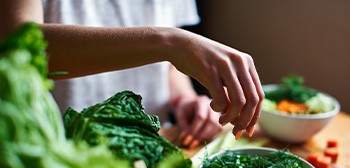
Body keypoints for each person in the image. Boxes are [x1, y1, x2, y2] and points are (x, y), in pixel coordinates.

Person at [0, 0, 264, 147]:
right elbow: (17, 45)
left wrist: (183, 98)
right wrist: (169, 43)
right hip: (55, 154)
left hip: (149, 148)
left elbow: (169, 66)